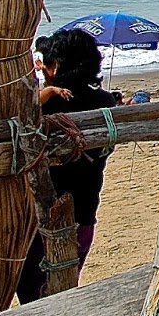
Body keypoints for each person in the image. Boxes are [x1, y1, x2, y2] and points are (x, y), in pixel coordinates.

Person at [17, 30, 117, 302]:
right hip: (84, 217)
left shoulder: (43, 109)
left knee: (32, 294)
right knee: (64, 289)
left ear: (55, 67)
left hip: (37, 223)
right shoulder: (105, 104)